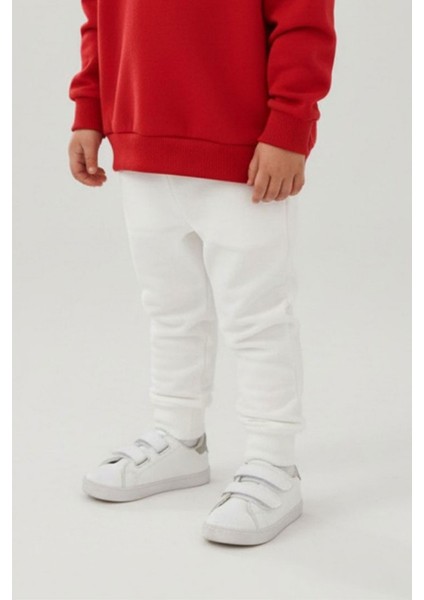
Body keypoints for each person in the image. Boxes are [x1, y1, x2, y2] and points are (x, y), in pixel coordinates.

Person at [68, 0, 336, 546]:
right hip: (140, 141)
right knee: (169, 308)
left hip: (245, 153)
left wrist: (290, 125)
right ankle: (179, 436)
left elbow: (303, 18)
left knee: (258, 318)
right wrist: (89, 110)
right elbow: (99, 16)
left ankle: (274, 462)